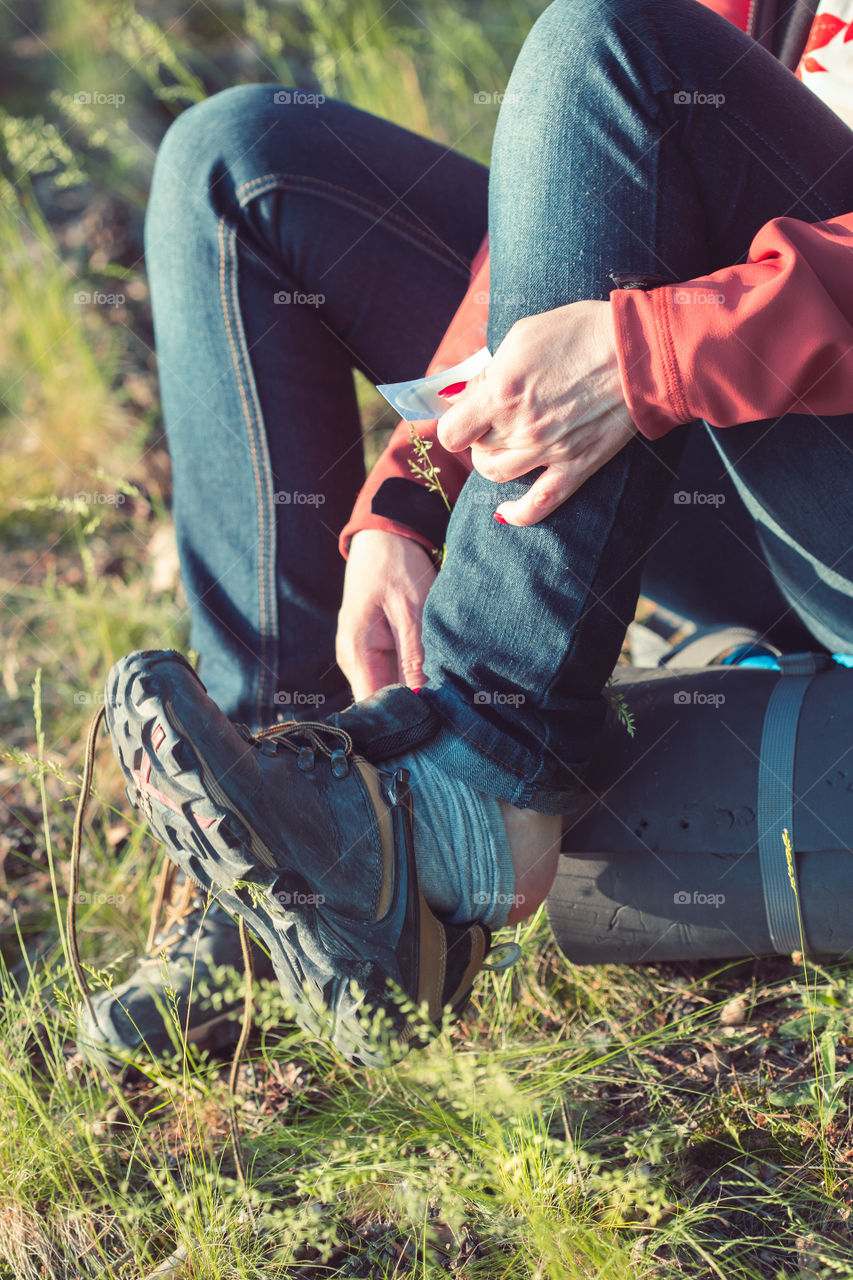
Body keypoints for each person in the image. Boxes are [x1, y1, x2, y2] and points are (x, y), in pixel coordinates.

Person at [79, 0, 853, 1060]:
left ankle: (473, 784)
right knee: (240, 164)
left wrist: (660, 350)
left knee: (614, 46)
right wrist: (414, 489)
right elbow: (581, 210)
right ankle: (301, 817)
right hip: (744, 475)